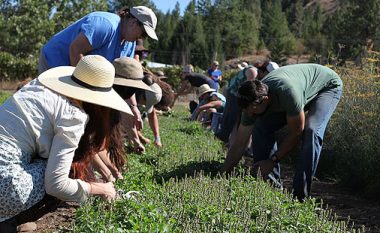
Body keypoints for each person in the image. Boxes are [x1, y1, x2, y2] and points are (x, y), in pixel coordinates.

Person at [0, 55, 133, 231]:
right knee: (70, 172)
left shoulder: (38, 88)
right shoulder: (73, 115)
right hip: (4, 186)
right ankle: (8, 222)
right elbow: (56, 184)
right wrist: (100, 189)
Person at [222, 63, 343, 201]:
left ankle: (299, 197)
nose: (249, 113)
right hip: (298, 88)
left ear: (265, 100)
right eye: (246, 110)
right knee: (260, 127)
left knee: (311, 131)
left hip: (326, 86)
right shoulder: (251, 103)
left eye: (253, 109)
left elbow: (296, 132)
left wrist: (272, 161)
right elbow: (239, 143)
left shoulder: (288, 94)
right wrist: (223, 173)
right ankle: (269, 187)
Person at [38, 6, 158, 74]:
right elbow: (75, 50)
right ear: (133, 22)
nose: (142, 38)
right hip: (54, 62)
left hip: (75, 70)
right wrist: (85, 85)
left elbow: (124, 75)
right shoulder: (106, 25)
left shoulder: (130, 44)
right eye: (143, 33)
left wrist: (133, 106)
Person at [216, 61, 279, 144]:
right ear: (264, 71)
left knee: (239, 122)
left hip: (244, 97)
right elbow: (250, 91)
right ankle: (221, 140)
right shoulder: (253, 72)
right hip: (234, 94)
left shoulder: (260, 78)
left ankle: (232, 144)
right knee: (230, 119)